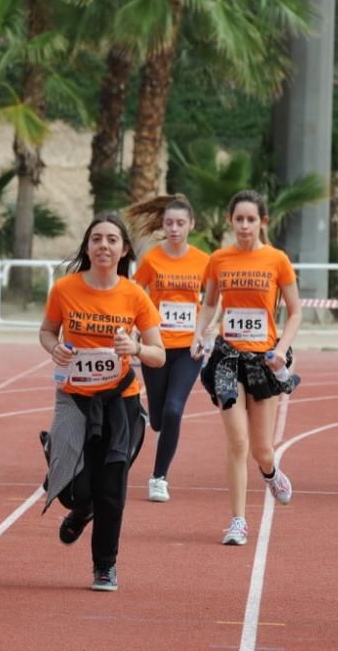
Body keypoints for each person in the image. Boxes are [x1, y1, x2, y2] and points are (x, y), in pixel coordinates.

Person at [39, 214, 165, 592]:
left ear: (124, 249)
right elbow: (46, 332)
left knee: (112, 487)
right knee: (71, 489)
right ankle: (82, 507)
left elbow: (158, 354)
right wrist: (55, 348)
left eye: (112, 239)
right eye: (97, 239)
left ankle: (105, 566)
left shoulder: (134, 294)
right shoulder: (65, 289)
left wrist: (136, 348)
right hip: (74, 398)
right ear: (87, 247)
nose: (104, 246)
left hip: (119, 402)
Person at [190, 189, 302, 547]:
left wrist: (282, 350)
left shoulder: (277, 260)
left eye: (251, 219)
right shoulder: (219, 260)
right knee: (236, 441)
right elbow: (209, 305)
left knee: (260, 449)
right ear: (230, 221)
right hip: (227, 358)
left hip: (264, 360)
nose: (244, 225)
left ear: (262, 222)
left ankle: (270, 473)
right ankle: (238, 521)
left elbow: (295, 311)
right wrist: (198, 333)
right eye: (238, 219)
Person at [126, 195, 211, 503]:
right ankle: (151, 416)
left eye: (180, 223)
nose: (174, 229)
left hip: (189, 349)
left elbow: (215, 300)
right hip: (156, 347)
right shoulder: (152, 260)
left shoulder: (204, 261)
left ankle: (159, 477)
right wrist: (132, 332)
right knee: (160, 420)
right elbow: (134, 296)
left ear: (191, 225)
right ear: (162, 226)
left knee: (174, 410)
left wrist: (207, 328)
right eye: (168, 223)